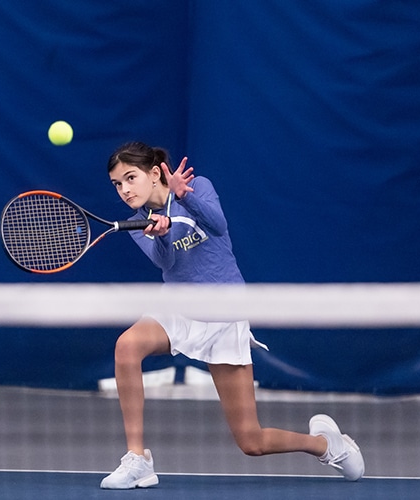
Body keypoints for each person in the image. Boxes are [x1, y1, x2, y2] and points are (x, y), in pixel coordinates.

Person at [100, 141, 364, 489]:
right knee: (127, 347)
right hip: (178, 309)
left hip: (224, 315)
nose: (125, 190)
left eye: (130, 178)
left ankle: (327, 445)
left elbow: (219, 226)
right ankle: (138, 459)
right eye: (117, 184)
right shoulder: (139, 223)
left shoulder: (199, 186)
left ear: (154, 173)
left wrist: (184, 197)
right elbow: (165, 263)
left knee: (251, 442)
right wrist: (161, 236)